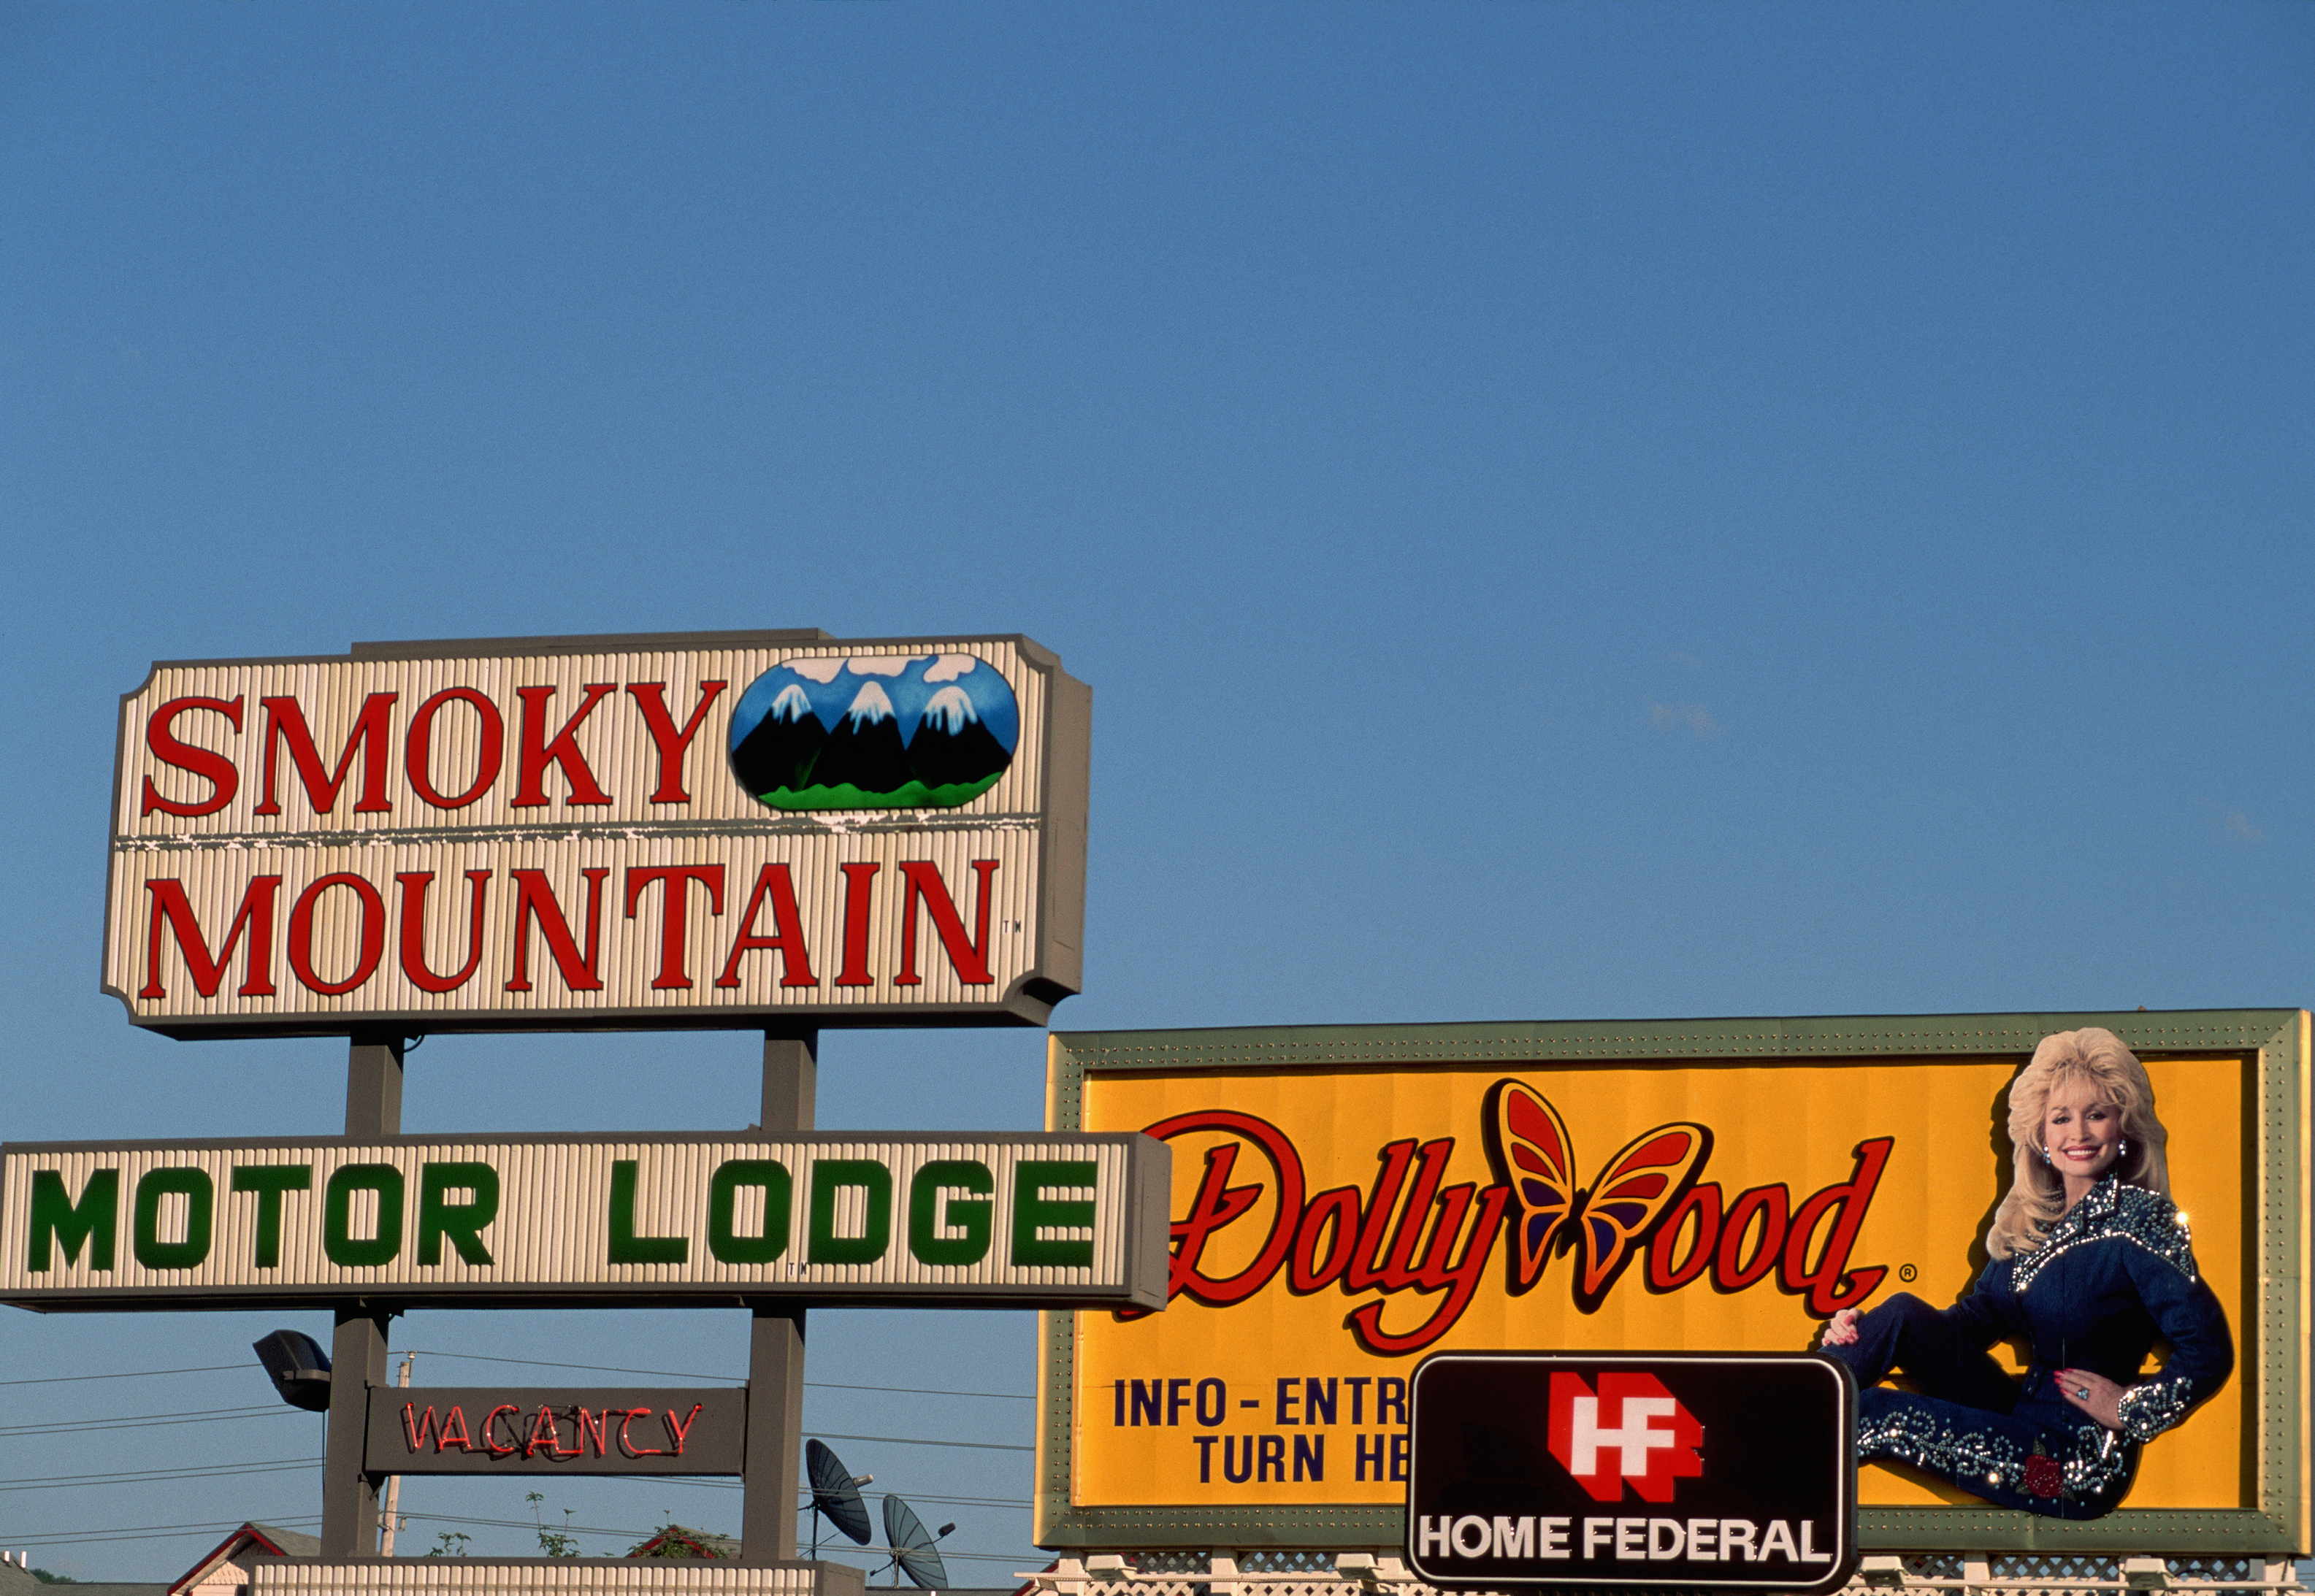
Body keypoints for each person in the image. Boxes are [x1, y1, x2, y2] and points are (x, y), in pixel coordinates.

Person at [1818, 1027, 2231, 1517]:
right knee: (1903, 1313)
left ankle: (1765, 1461)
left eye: (2096, 1115)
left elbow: (2208, 1349)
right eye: (2061, 1118)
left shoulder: (2139, 1222)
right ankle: (1775, 1415)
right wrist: (1860, 1332)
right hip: (2015, 1421)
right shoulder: (2035, 1225)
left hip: (2069, 1468)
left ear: (2124, 1127)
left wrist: (2128, 1408)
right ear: (2041, 1135)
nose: (2077, 1133)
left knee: (1874, 1413)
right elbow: (1971, 1325)